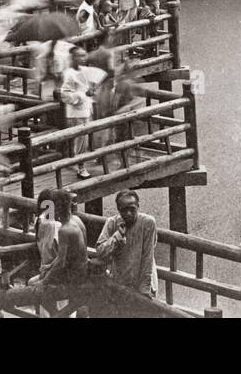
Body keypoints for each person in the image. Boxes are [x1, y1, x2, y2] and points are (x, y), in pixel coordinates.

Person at [95, 189, 158, 298]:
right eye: (124, 210)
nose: (128, 213)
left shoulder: (148, 223)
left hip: (143, 282)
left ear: (138, 206)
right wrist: (117, 236)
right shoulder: (112, 223)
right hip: (120, 281)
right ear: (118, 209)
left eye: (132, 209)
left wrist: (144, 291)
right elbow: (100, 251)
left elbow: (147, 257)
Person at [34, 189, 88, 290]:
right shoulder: (76, 219)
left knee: (33, 284)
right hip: (83, 269)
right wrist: (50, 265)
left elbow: (61, 261)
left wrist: (43, 282)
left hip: (74, 276)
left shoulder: (64, 230)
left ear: (57, 208)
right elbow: (67, 255)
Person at [60, 47, 95, 179]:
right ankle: (81, 167)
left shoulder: (86, 71)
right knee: (79, 141)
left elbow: (89, 89)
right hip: (75, 112)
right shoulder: (69, 74)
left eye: (84, 55)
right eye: (79, 56)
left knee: (84, 139)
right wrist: (82, 95)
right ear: (73, 58)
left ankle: (79, 162)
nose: (82, 58)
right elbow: (65, 95)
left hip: (87, 109)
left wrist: (91, 93)